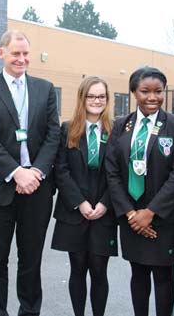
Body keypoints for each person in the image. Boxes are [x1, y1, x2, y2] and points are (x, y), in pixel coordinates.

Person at [0, 30, 60, 316]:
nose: (21, 59)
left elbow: (52, 135)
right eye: (15, 54)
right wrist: (15, 172)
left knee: (31, 259)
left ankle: (29, 311)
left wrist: (35, 172)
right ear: (1, 54)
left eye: (25, 54)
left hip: (37, 188)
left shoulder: (45, 89)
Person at [106, 67, 174, 316]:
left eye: (158, 91)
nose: (152, 97)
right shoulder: (121, 126)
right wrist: (132, 215)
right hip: (132, 219)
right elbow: (112, 172)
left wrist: (151, 212)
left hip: (163, 218)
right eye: (145, 91)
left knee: (164, 279)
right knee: (138, 275)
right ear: (133, 92)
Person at [51, 76, 117, 316]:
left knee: (99, 270)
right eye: (91, 96)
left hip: (103, 211)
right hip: (74, 210)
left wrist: (104, 204)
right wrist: (80, 202)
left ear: (107, 100)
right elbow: (61, 169)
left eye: (101, 96)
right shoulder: (68, 129)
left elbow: (118, 173)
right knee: (77, 268)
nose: (96, 101)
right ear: (82, 98)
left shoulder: (115, 130)